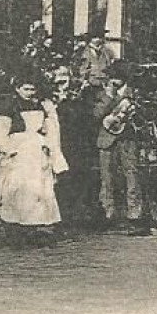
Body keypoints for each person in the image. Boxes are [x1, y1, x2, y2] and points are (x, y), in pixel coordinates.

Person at [0, 69, 66, 242]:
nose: (30, 93)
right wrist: (9, 149)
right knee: (19, 187)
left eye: (32, 90)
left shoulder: (40, 106)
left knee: (39, 186)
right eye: (26, 89)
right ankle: (15, 224)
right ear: (17, 89)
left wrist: (48, 145)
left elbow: (49, 129)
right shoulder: (9, 107)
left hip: (37, 152)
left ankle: (36, 222)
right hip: (20, 151)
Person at [95, 60, 150, 235]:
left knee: (131, 175)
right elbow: (96, 114)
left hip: (128, 139)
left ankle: (135, 216)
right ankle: (107, 214)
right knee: (106, 177)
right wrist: (109, 96)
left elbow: (144, 116)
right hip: (106, 139)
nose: (113, 80)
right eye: (112, 77)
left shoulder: (134, 94)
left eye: (117, 77)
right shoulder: (102, 93)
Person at [49, 61, 102, 228]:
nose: (62, 86)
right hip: (57, 142)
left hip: (75, 144)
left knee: (75, 178)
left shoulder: (77, 97)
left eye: (64, 81)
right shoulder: (49, 99)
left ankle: (72, 216)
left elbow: (85, 119)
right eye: (58, 82)